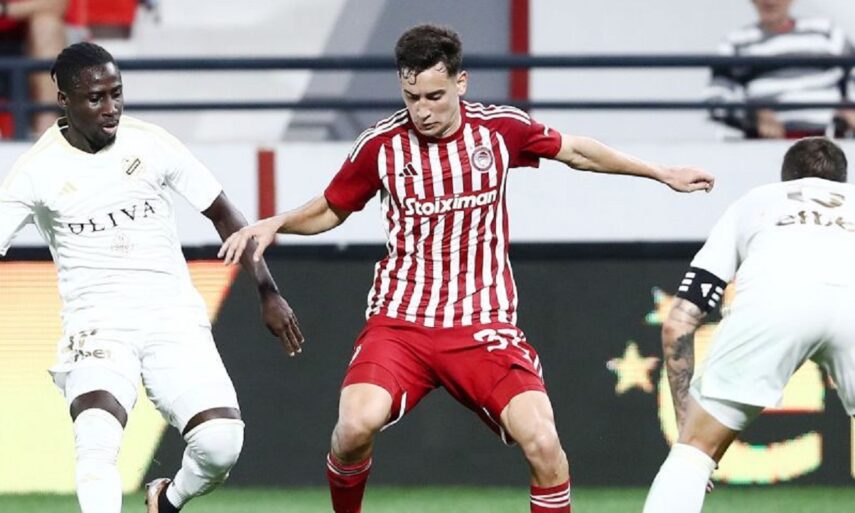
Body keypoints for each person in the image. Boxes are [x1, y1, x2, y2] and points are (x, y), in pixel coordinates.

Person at [219, 24, 714, 513]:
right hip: (401, 323)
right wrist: (278, 222)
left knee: (544, 444)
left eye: (434, 96)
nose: (422, 110)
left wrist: (661, 172)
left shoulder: (499, 131)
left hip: (483, 326)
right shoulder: (382, 146)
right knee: (352, 429)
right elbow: (333, 207)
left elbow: (577, 151)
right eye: (412, 97)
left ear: (461, 82)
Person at [0, 42, 304, 513]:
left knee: (221, 444)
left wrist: (268, 290)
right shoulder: (35, 171)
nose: (111, 108)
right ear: (63, 99)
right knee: (96, 439)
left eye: (116, 93)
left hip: (171, 317)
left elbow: (223, 213)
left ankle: (168, 499)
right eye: (96, 98)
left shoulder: (150, 142)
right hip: (97, 324)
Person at [642, 137, 855, 513]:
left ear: (785, 179)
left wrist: (687, 430)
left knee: (694, 453)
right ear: (843, 180)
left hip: (775, 303)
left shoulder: (756, 201)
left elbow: (679, 321)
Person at [706, 0, 855, 139]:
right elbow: (716, 98)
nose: (770, 1)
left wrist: (850, 106)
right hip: (769, 144)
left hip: (831, 140)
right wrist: (752, 116)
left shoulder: (826, 30)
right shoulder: (736, 42)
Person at [0, 0, 69, 136]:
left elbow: (56, 4)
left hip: (32, 40)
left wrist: (4, 9)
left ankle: (47, 130)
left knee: (46, 24)